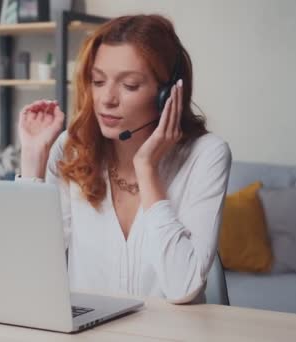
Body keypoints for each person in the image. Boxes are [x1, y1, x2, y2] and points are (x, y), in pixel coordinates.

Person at [16, 14, 232, 304]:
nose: (107, 98)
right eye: (98, 81)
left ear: (167, 94)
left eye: (129, 85)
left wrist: (147, 168)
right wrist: (32, 160)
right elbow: (32, 271)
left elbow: (183, 287)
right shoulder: (72, 148)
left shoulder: (207, 155)